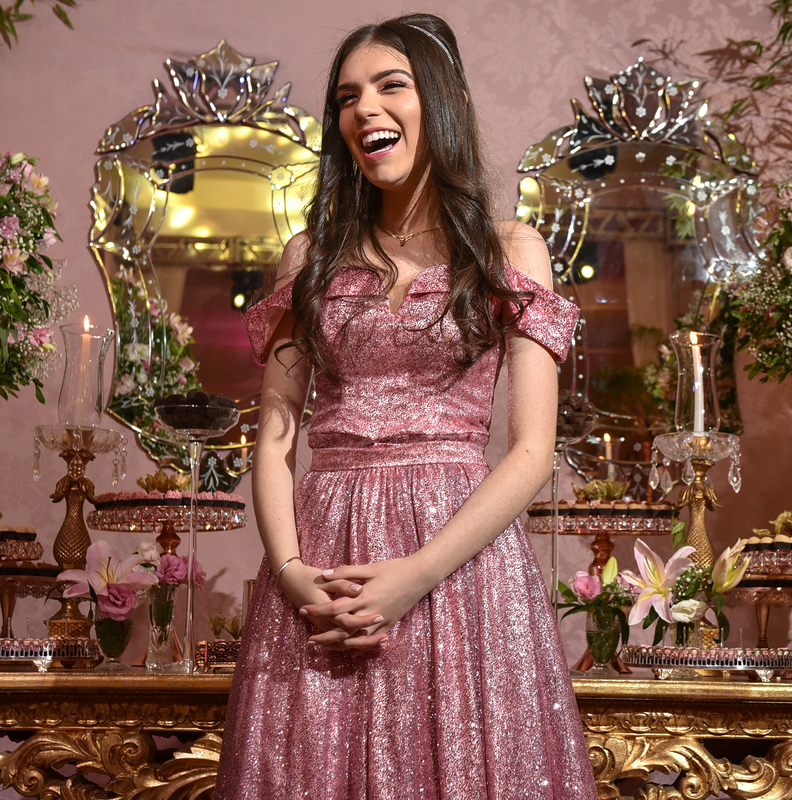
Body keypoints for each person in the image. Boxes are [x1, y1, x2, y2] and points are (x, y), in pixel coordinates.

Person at [215, 13, 596, 799]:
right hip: (324, 562)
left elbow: (531, 452)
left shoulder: (510, 251)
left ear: (444, 101)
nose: (365, 109)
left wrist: (415, 576)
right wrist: (292, 576)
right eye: (347, 97)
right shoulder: (309, 257)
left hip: (457, 560)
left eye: (391, 85)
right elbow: (275, 439)